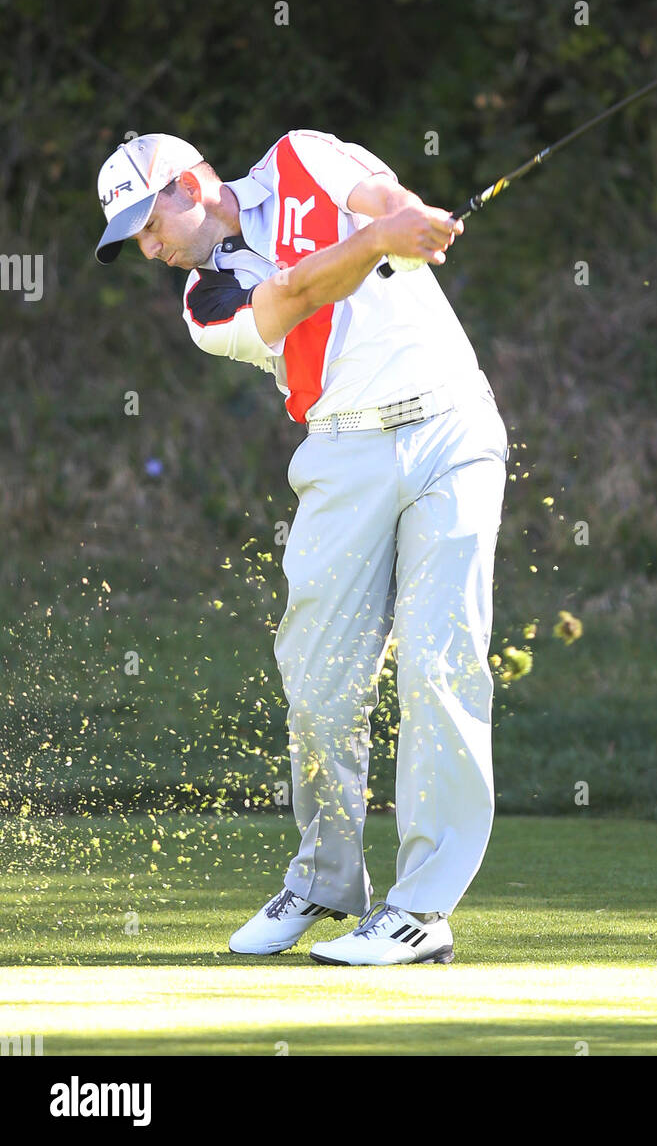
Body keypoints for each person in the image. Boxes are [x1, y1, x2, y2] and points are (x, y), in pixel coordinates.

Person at [95, 129, 509, 965]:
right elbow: (293, 297)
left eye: (148, 223)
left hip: (451, 427)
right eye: (135, 238)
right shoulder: (205, 306)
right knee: (318, 685)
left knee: (440, 661)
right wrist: (376, 243)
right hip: (342, 452)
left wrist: (408, 223)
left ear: (187, 184)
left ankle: (422, 911)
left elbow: (382, 203)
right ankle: (324, 881)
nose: (150, 248)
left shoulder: (299, 157)